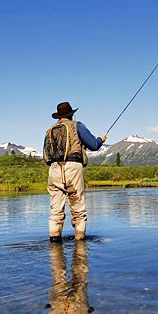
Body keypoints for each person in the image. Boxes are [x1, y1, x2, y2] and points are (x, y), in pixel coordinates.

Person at [43, 102, 106, 240]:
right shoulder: (77, 125)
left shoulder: (50, 131)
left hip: (53, 170)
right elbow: (94, 145)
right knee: (79, 210)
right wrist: (101, 140)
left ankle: (54, 246)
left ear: (58, 116)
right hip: (73, 167)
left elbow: (46, 157)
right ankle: (80, 246)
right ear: (71, 114)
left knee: (55, 211)